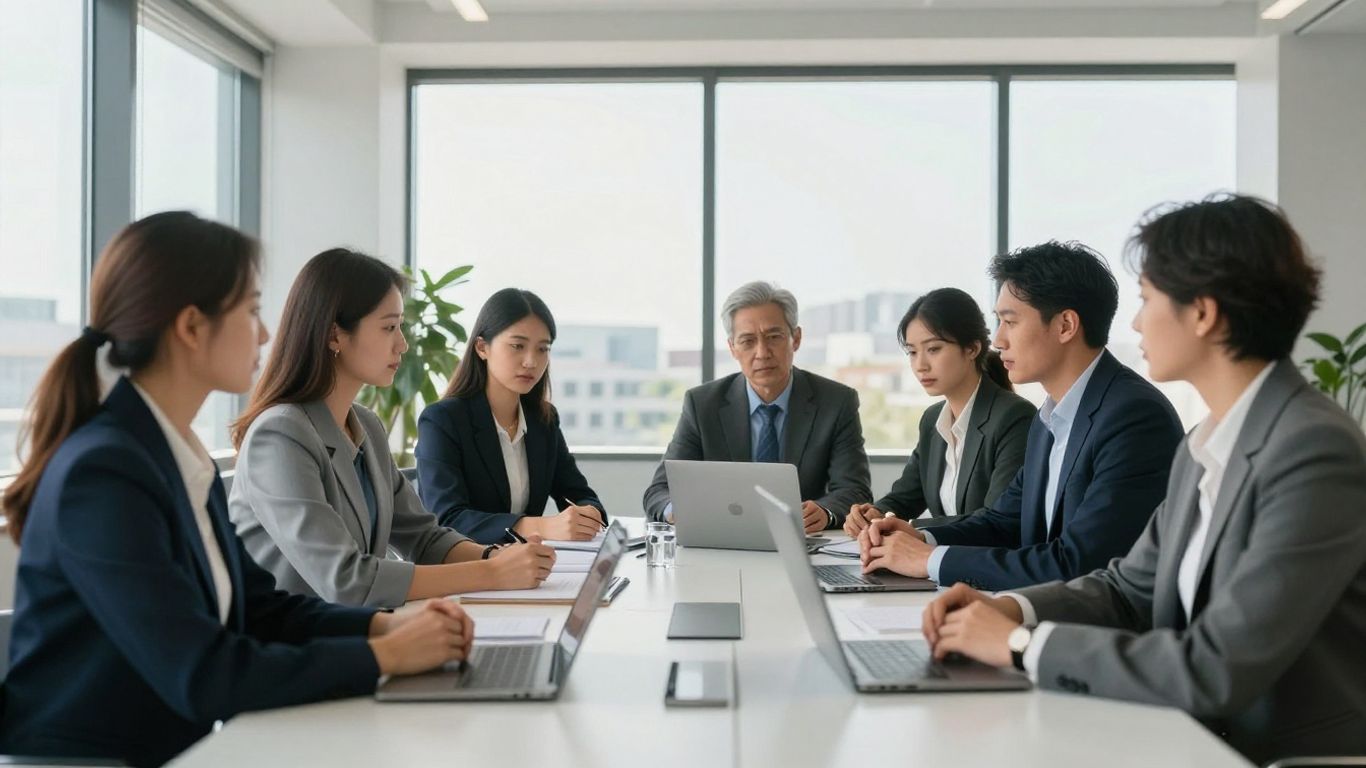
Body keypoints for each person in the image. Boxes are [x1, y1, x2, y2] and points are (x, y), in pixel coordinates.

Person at [0, 213, 471, 767]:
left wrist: (384, 623)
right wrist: (384, 655)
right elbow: (203, 673)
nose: (267, 333)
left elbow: (259, 609)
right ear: (192, 328)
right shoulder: (104, 473)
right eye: (250, 310)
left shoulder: (170, 452)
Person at [917, 194, 1366, 763]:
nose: (1133, 321)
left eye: (1148, 298)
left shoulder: (1312, 449)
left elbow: (1218, 666)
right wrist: (1014, 609)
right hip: (1183, 731)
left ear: (1203, 313)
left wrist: (1018, 643)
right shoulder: (1207, 440)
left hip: (1260, 752)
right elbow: (1129, 588)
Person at [230, 250, 554, 608]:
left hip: (357, 632)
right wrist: (493, 574)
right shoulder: (279, 436)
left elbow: (424, 538)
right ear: (335, 335)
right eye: (388, 327)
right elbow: (346, 579)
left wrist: (494, 558)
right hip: (291, 649)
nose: (402, 343)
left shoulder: (366, 425)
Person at [860, 242, 1183, 590]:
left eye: (1009, 322)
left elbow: (1079, 563)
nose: (997, 340)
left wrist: (927, 560)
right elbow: (1005, 521)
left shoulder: (1132, 417)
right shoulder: (1051, 419)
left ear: (1065, 326)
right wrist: (920, 538)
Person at [643, 281, 871, 533]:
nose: (762, 352)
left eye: (774, 337)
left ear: (795, 339)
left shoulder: (836, 402)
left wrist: (825, 513)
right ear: (732, 348)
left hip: (804, 543)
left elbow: (855, 490)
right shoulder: (703, 404)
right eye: (748, 341)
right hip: (724, 542)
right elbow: (659, 491)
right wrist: (680, 511)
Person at [416, 288, 606, 545]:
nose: (531, 361)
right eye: (518, 346)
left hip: (528, 570)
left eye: (542, 349)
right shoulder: (442, 421)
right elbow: (448, 519)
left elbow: (578, 494)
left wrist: (589, 513)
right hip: (469, 570)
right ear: (482, 347)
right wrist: (540, 526)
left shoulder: (543, 421)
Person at [843, 288, 1035, 538]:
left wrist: (914, 530)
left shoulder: (1014, 417)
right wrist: (874, 515)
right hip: (933, 567)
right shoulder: (933, 420)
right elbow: (904, 499)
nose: (920, 365)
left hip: (982, 570)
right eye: (912, 352)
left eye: (933, 349)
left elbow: (997, 520)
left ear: (972, 349)